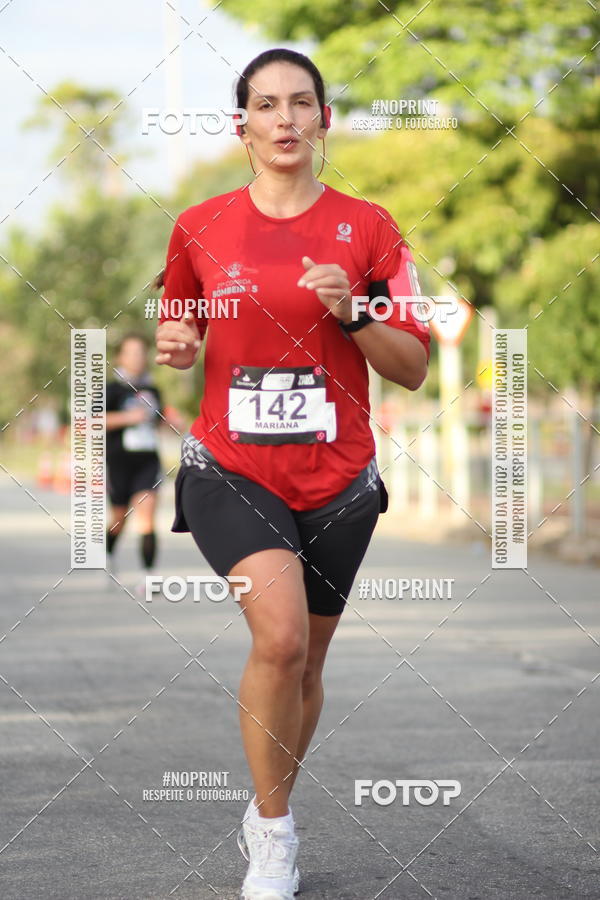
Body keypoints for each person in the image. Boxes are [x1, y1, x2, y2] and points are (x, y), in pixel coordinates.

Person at [155, 48, 430, 900]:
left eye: (300, 103)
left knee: (305, 667)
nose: (284, 119)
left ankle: (263, 803)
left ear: (323, 120)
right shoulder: (199, 227)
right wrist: (179, 346)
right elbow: (179, 326)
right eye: (267, 104)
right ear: (241, 124)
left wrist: (351, 312)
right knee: (278, 640)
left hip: (340, 480)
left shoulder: (371, 228)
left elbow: (412, 367)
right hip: (231, 468)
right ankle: (275, 837)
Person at [105, 332, 179, 589]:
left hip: (147, 461)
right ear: (120, 357)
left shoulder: (152, 389)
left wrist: (172, 424)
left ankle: (149, 575)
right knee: (119, 520)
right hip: (119, 462)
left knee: (146, 516)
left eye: (141, 353)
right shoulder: (111, 389)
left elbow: (159, 420)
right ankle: (109, 556)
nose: (137, 358)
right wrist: (127, 418)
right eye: (132, 353)